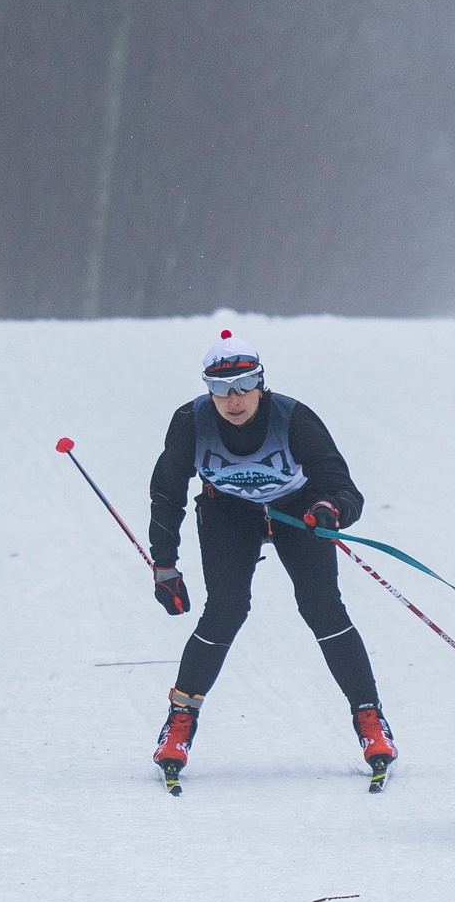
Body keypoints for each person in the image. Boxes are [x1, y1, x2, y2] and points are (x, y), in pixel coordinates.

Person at [146, 331, 394, 790]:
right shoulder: (190, 422)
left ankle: (370, 718)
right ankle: (180, 722)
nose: (233, 399)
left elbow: (344, 488)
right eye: (220, 388)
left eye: (244, 385)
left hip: (296, 511)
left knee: (322, 607)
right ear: (207, 390)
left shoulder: (294, 419)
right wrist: (165, 565)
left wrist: (329, 510)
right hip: (227, 513)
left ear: (261, 383)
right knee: (225, 610)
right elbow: (166, 493)